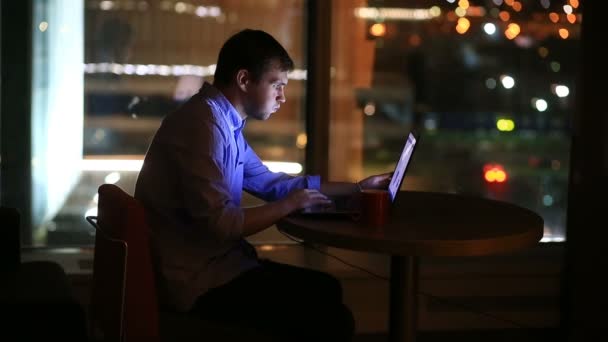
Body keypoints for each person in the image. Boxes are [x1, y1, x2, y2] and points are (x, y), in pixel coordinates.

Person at [134, 28, 391, 341]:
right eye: (276, 85)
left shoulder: (222, 122)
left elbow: (271, 182)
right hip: (199, 283)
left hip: (220, 268)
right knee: (332, 319)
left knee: (328, 289)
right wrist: (289, 205)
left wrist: (356, 188)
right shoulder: (203, 126)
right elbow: (223, 224)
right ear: (244, 80)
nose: (282, 96)